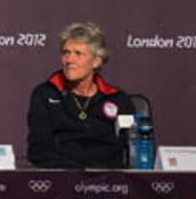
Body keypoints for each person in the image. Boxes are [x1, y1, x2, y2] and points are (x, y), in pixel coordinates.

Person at [27, 22, 135, 168]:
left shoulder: (118, 99)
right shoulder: (45, 94)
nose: (69, 60)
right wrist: (79, 171)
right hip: (62, 180)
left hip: (109, 181)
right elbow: (39, 150)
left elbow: (129, 152)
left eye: (78, 54)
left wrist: (97, 172)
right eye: (66, 53)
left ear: (96, 61)